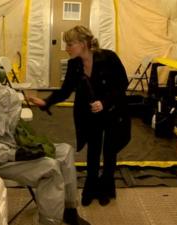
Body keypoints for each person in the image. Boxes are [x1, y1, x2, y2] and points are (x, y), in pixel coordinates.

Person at [0, 55, 90, 225]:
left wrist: (24, 144)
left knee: (65, 151)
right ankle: (49, 222)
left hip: (16, 146)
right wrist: (16, 153)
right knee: (50, 168)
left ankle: (69, 210)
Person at [29, 25, 131, 207]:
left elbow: (122, 84)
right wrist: (46, 102)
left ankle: (106, 188)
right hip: (88, 114)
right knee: (92, 151)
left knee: (109, 151)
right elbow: (66, 90)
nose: (67, 48)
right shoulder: (74, 64)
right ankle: (90, 189)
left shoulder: (109, 57)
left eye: (70, 44)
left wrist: (104, 102)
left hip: (113, 111)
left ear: (83, 44)